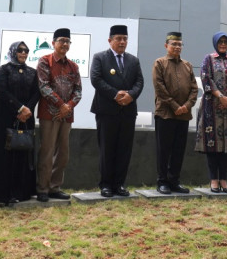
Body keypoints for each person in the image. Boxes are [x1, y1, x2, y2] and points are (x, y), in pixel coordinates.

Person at [0, 41, 39, 205]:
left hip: (26, 118)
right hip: (4, 117)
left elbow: (36, 93)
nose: (23, 53)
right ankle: (1, 193)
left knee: (22, 153)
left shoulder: (33, 72)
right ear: (13, 52)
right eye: (20, 50)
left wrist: (27, 110)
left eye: (26, 50)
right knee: (3, 154)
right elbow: (1, 91)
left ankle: (21, 192)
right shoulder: (3, 70)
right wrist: (19, 108)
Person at [89, 25, 144, 198]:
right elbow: (96, 79)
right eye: (118, 38)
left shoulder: (133, 60)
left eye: (125, 39)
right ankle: (106, 185)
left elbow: (139, 82)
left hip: (128, 110)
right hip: (106, 110)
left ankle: (119, 184)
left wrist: (130, 96)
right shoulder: (100, 58)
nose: (122, 42)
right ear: (110, 40)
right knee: (107, 148)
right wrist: (115, 94)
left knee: (124, 149)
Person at [193, 32, 227, 193]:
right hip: (212, 107)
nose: (223, 44)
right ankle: (213, 180)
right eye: (220, 42)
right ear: (215, 43)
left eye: (226, 42)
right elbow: (206, 78)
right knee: (213, 145)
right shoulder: (208, 59)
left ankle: (224, 180)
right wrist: (221, 97)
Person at [35, 27, 82, 202]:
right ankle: (42, 188)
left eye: (67, 41)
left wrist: (68, 106)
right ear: (53, 43)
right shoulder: (44, 61)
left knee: (63, 154)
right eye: (61, 40)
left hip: (66, 116)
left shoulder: (73, 66)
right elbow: (43, 86)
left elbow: (78, 91)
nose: (64, 44)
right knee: (46, 153)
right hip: (49, 115)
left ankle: (55, 187)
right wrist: (61, 105)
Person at [151, 32, 197, 195]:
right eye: (174, 44)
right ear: (166, 46)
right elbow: (159, 87)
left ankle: (174, 181)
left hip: (183, 114)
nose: (177, 47)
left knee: (179, 149)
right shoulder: (160, 63)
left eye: (180, 44)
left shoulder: (187, 65)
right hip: (165, 113)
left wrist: (186, 105)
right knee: (164, 150)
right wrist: (174, 105)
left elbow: (194, 88)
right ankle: (162, 182)